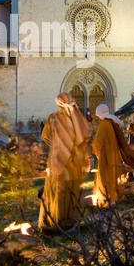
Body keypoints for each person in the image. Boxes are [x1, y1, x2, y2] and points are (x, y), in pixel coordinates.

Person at [38, 93, 91, 232]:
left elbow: (45, 135)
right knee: (71, 188)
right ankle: (71, 220)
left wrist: (56, 145)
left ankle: (55, 221)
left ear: (58, 104)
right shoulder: (77, 118)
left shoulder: (53, 118)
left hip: (58, 160)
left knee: (57, 189)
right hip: (74, 161)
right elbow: (85, 136)